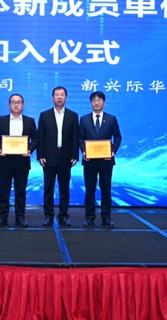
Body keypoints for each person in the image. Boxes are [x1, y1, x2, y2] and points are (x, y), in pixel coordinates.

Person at [0, 94, 38, 228]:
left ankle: (20, 218)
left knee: (20, 191)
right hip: (4, 160)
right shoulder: (1, 120)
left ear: (23, 105)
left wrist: (30, 149)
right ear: (9, 105)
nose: (16, 104)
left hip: (22, 160)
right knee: (4, 191)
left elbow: (36, 138)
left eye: (19, 102)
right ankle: (2, 218)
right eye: (13, 102)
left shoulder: (29, 121)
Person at [78, 91, 122, 228]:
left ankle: (106, 218)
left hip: (106, 160)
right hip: (89, 161)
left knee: (106, 189)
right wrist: (84, 150)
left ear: (104, 102)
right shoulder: (84, 119)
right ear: (90, 103)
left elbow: (118, 137)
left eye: (99, 100)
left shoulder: (111, 119)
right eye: (93, 100)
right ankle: (89, 218)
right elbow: (80, 137)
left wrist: (112, 151)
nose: (96, 102)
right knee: (90, 190)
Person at [37, 86, 79, 227]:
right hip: (48, 157)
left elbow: (75, 137)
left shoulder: (73, 115)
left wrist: (75, 155)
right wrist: (40, 155)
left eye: (62, 95)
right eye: (57, 94)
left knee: (64, 188)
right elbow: (40, 137)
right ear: (52, 97)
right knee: (48, 188)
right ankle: (48, 216)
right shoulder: (44, 115)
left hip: (66, 157)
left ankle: (63, 216)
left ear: (66, 97)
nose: (59, 97)